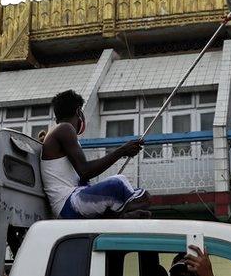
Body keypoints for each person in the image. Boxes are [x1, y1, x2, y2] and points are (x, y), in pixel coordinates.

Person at [40, 90, 149, 219]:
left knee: (143, 195)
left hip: (74, 200)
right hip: (67, 204)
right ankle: (121, 214)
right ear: (78, 111)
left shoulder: (60, 132)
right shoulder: (64, 128)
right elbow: (85, 171)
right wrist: (122, 151)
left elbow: (83, 178)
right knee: (119, 182)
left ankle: (119, 214)